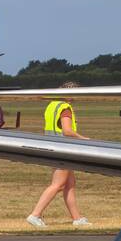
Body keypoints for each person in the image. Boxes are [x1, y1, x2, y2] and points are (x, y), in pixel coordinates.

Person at [27, 83, 91, 228]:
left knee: (70, 184)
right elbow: (67, 131)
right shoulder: (65, 108)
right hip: (63, 148)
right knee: (58, 184)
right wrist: (84, 139)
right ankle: (35, 215)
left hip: (53, 147)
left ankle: (77, 218)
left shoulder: (52, 105)